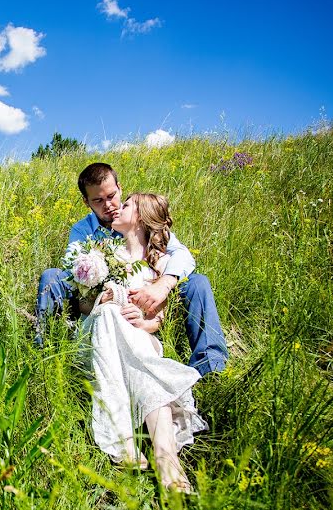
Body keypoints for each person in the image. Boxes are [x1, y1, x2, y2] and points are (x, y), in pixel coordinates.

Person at [36, 163, 228, 377]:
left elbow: (182, 254)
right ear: (86, 202)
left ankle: (211, 367)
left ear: (119, 187)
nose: (108, 205)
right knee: (53, 277)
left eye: (112, 195)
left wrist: (163, 285)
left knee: (197, 282)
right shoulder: (83, 229)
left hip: (149, 299)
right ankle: (46, 358)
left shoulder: (139, 215)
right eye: (98, 201)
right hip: (100, 300)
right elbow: (73, 268)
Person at [79, 192, 208, 492]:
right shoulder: (101, 252)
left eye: (125, 206)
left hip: (136, 341)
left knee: (145, 370)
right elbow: (85, 305)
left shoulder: (160, 263)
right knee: (110, 316)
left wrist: (145, 322)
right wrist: (107, 298)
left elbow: (157, 319)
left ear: (141, 218)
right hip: (99, 337)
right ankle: (134, 446)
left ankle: (167, 464)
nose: (117, 209)